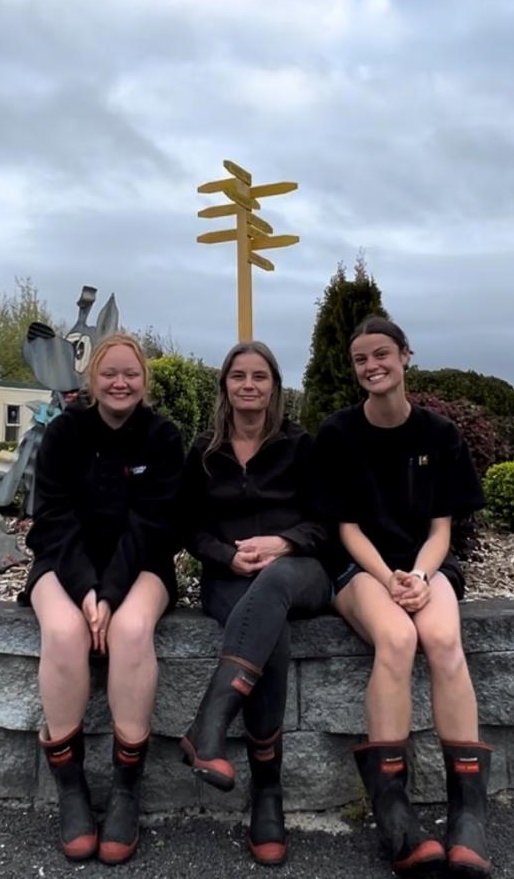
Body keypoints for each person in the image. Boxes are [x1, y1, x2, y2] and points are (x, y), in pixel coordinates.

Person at [318, 316, 493, 877]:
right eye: (361, 360)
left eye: (381, 355)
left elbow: (442, 529)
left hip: (424, 567)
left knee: (442, 638)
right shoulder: (339, 434)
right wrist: (389, 579)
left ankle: (468, 814)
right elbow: (346, 528)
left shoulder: (439, 435)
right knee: (395, 638)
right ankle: (393, 813)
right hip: (360, 570)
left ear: (404, 356)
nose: (372, 367)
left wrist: (417, 575)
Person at [20, 332, 184, 866]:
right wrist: (87, 590)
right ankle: (71, 792)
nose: (120, 382)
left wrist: (110, 595)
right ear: (93, 380)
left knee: (132, 631)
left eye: (131, 374)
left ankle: (124, 793)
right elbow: (55, 519)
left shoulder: (162, 437)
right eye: (110, 373)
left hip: (142, 564)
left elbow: (151, 524)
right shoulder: (64, 433)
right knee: (65, 633)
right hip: (63, 562)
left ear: (144, 381)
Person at [176, 340, 331, 866]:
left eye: (259, 376)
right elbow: (189, 528)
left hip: (301, 572)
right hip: (230, 577)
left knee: (278, 586)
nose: (248, 385)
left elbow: (326, 524)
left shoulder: (300, 446)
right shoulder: (204, 452)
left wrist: (282, 544)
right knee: (273, 632)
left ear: (274, 387)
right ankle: (268, 792)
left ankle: (209, 726)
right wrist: (225, 555)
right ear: (225, 386)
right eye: (238, 376)